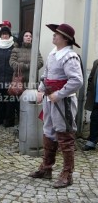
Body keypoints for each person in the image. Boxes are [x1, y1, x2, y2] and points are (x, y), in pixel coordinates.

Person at [28, 23, 83, 188]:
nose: (53, 36)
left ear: (65, 39)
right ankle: (46, 168)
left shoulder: (70, 57)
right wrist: (40, 89)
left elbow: (77, 81)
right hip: (49, 99)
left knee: (64, 135)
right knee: (48, 132)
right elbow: (46, 74)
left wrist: (58, 94)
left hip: (63, 102)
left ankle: (67, 174)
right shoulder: (54, 53)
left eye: (56, 34)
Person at [9, 31, 44, 114]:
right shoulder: (16, 49)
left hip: (32, 80)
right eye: (26, 36)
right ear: (22, 37)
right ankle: (20, 121)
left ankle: (29, 120)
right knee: (18, 101)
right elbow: (12, 63)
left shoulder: (35, 49)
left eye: (30, 36)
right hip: (19, 81)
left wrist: (30, 67)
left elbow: (40, 62)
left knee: (30, 101)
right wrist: (25, 66)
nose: (29, 37)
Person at [82, 59, 98, 151]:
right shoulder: (96, 62)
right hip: (96, 99)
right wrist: (89, 92)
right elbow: (91, 78)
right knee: (94, 119)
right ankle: (91, 142)